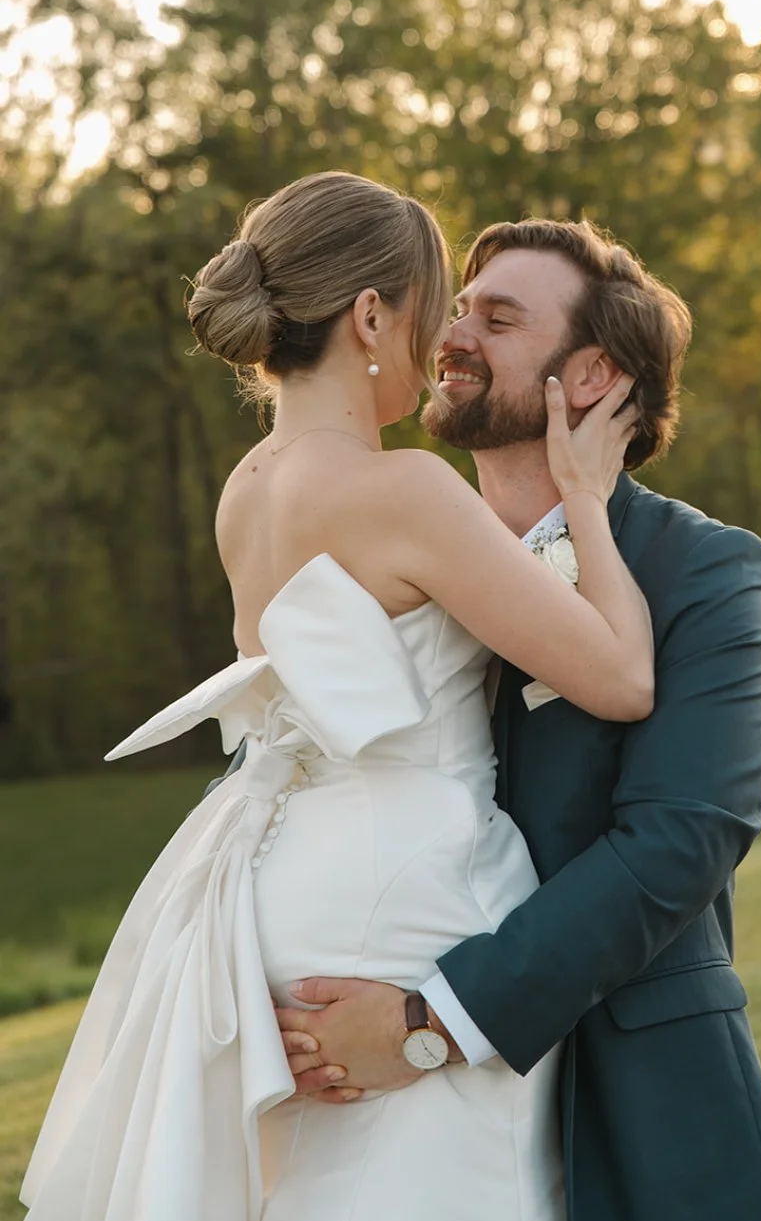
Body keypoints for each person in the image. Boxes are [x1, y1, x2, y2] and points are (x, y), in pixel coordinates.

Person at [20, 173, 654, 1221]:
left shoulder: (250, 487)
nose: (438, 337)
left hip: (282, 879)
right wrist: (583, 492)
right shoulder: (403, 490)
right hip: (409, 884)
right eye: (428, 306)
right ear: (368, 315)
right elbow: (622, 679)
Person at [274, 218, 761, 1221]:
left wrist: (434, 1020)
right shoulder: (386, 548)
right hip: (386, 1104)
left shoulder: (707, 571)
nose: (452, 332)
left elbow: (678, 842)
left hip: (632, 1092)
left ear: (592, 374)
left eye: (499, 318)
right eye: (459, 306)